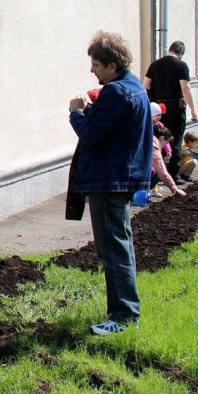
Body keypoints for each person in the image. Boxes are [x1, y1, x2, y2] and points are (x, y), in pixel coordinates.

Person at [68, 32, 151, 335]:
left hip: (109, 180)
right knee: (121, 246)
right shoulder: (135, 88)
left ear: (113, 65)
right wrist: (92, 111)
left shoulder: (116, 92)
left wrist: (76, 111)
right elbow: (112, 128)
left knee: (113, 250)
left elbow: (92, 135)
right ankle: (125, 311)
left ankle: (124, 316)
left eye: (97, 65)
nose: (93, 70)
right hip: (123, 176)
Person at [143, 41, 198, 177]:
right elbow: (185, 88)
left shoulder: (155, 64)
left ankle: (157, 172)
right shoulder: (181, 65)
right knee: (175, 139)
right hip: (175, 107)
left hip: (159, 109)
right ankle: (173, 174)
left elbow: (146, 84)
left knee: (160, 138)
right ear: (181, 53)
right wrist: (192, 109)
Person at [148, 126, 185, 198]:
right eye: (166, 142)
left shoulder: (148, 138)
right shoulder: (154, 147)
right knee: (157, 174)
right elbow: (162, 171)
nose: (165, 145)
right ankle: (139, 193)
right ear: (162, 138)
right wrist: (175, 189)